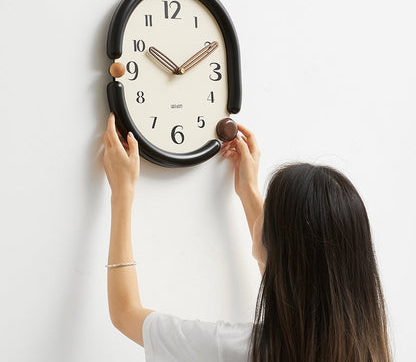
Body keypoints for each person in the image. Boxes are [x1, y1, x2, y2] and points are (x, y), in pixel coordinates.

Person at [103, 112, 392, 362]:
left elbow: (125, 313)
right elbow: (293, 272)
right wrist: (249, 191)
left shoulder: (237, 349)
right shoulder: (369, 348)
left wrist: (122, 193)